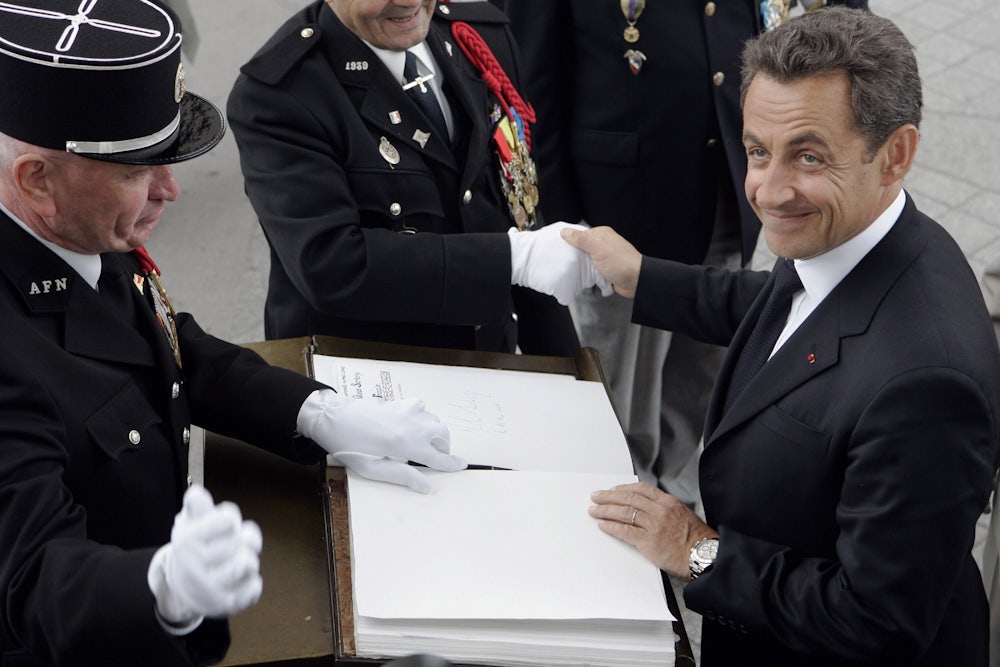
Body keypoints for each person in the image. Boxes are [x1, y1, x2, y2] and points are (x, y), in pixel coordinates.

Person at [0, 2, 467, 664]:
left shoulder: (71, 226)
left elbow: (162, 346)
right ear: (37, 179)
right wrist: (160, 589)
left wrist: (315, 411)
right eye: (137, 171)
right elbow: (31, 579)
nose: (169, 190)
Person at [566, 8, 1000, 665]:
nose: (767, 192)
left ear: (896, 154)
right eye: (757, 151)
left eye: (808, 156)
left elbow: (876, 620)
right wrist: (642, 277)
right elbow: (781, 305)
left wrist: (697, 549)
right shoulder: (856, 234)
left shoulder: (929, 385)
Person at [502, 0, 867, 504]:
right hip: (621, 201)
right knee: (614, 383)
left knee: (702, 367)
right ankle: (612, 496)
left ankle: (672, 486)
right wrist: (562, 213)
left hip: (725, 183)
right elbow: (531, 75)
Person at [226, 0, 603, 355]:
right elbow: (330, 266)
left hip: (487, 359)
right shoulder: (281, 93)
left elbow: (520, 211)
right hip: (366, 374)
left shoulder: (479, 37)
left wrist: (568, 371)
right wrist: (511, 259)